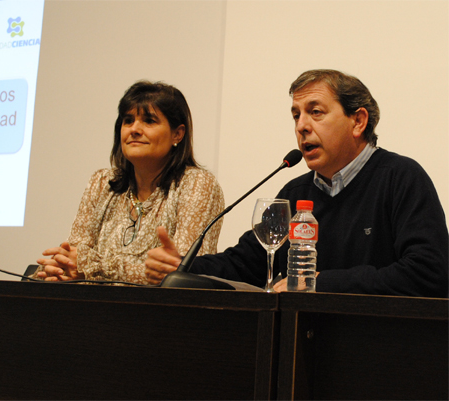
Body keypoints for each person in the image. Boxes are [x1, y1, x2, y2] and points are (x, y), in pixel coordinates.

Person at [145, 69, 449, 297]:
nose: (302, 126)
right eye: (296, 115)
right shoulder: (295, 193)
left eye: (315, 112)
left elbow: (429, 273)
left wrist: (320, 283)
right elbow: (247, 263)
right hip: (301, 346)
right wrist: (183, 267)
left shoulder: (400, 178)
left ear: (358, 121)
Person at [36, 81, 224, 284]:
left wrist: (93, 267)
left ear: (177, 134)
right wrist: (61, 268)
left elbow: (180, 274)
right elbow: (74, 256)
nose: (134, 129)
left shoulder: (197, 184)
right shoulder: (102, 182)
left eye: (149, 121)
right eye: (128, 120)